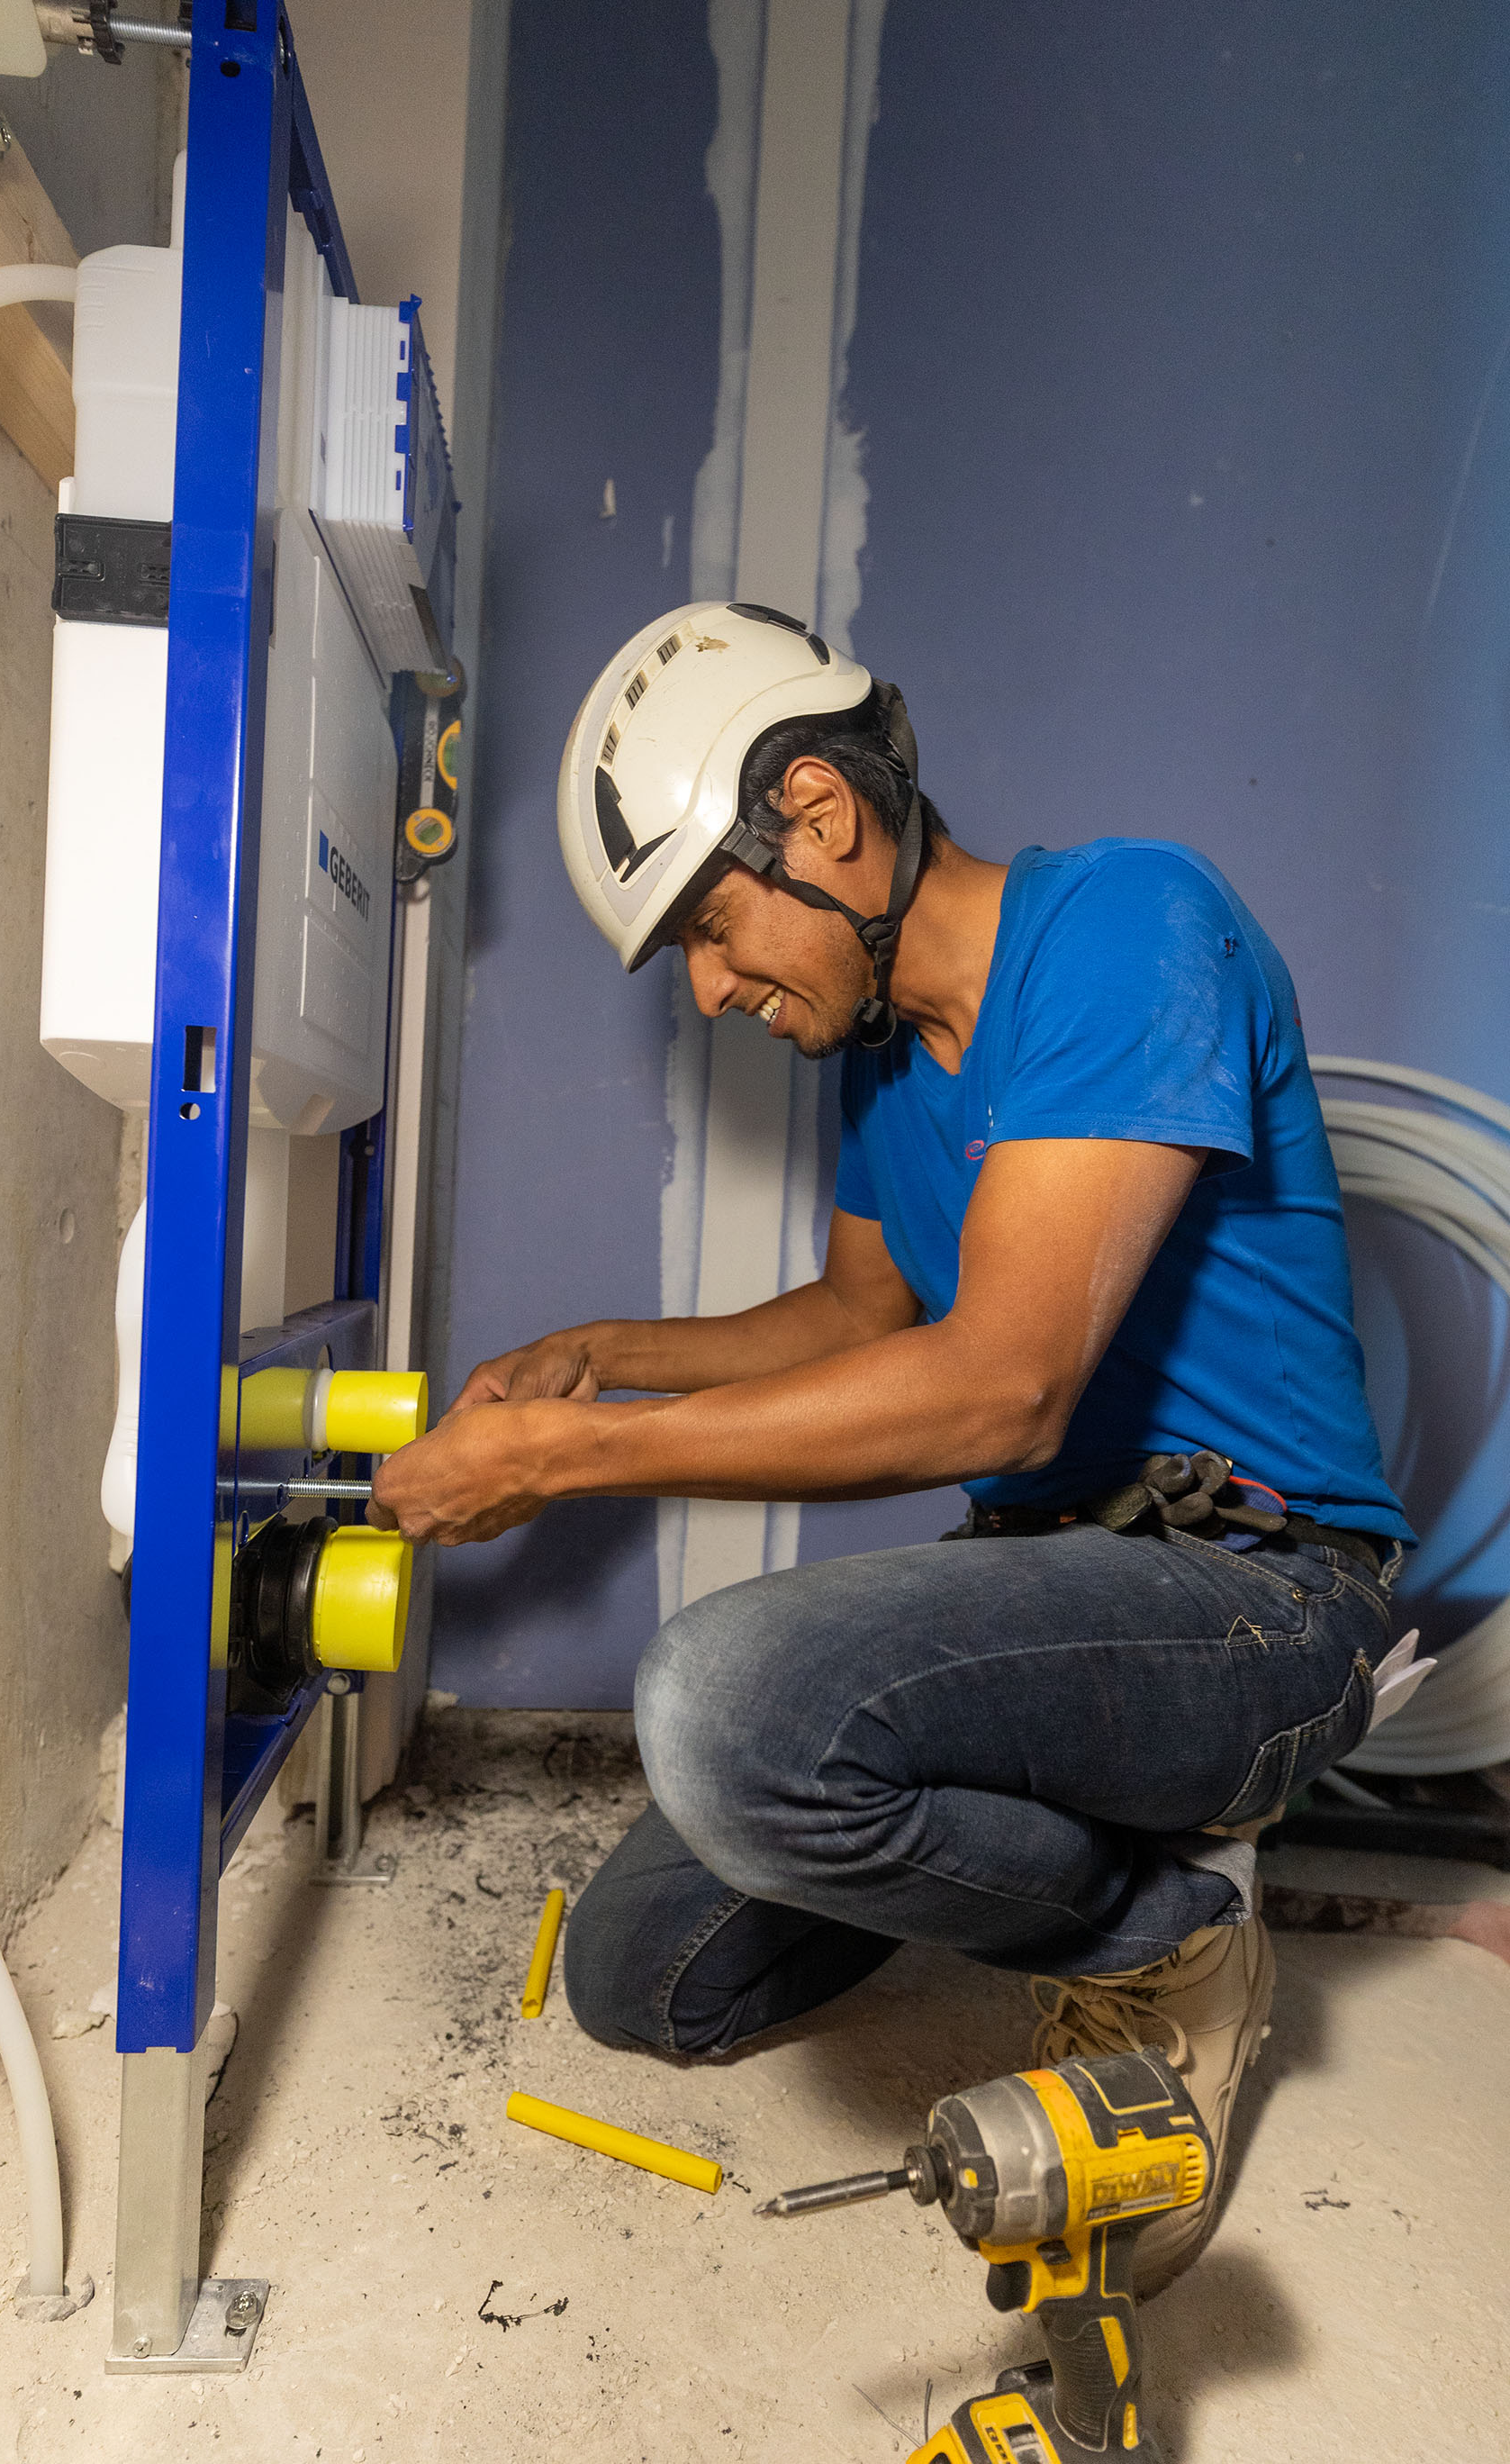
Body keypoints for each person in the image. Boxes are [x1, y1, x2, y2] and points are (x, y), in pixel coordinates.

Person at [369, 600, 1413, 2295]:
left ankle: (1174, 1943)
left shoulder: (1132, 925)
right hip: (1054, 1584)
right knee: (643, 1979)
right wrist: (597, 1361)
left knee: (720, 1706)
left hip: (1262, 1596)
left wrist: (563, 1459)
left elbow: (1002, 1389)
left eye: (713, 926)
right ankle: (1113, 1853)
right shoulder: (885, 1068)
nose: (710, 988)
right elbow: (864, 1318)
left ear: (827, 823)